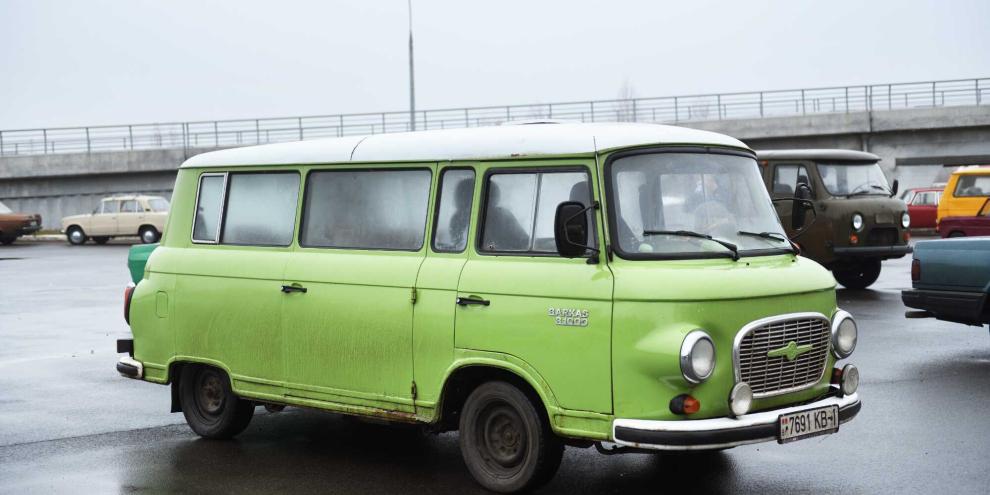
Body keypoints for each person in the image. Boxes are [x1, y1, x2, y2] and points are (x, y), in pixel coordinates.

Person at [483, 182, 530, 251]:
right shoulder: (503, 214)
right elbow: (487, 246)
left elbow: (524, 241)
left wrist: (493, 247)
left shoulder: (503, 215)